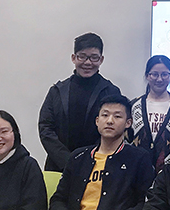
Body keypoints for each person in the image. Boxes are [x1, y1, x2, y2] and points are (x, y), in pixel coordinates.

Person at [49, 95, 155, 210]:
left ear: (128, 123)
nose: (110, 121)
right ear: (97, 121)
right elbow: (57, 200)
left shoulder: (138, 158)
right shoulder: (78, 157)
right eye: (105, 115)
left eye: (117, 116)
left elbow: (144, 204)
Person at [39, 32, 121, 172]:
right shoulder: (57, 91)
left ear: (101, 59)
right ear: (73, 58)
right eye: (82, 56)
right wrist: (68, 161)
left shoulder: (111, 92)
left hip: (98, 165)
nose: (87, 62)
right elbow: (45, 128)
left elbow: (115, 129)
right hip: (58, 165)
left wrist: (89, 160)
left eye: (94, 57)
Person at [130, 55, 170, 173]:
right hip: (137, 169)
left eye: (165, 74)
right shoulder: (134, 105)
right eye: (154, 74)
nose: (160, 79)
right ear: (147, 75)